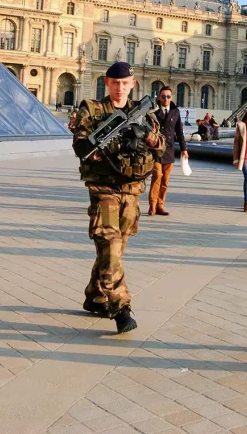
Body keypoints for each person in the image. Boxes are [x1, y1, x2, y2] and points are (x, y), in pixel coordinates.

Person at [71, 62, 165, 334]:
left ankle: (96, 295)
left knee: (115, 248)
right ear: (107, 83)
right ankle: (121, 308)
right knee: (110, 246)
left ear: (132, 84)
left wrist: (144, 135)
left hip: (133, 190)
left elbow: (161, 147)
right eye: (114, 82)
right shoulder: (92, 109)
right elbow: (81, 144)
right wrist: (100, 147)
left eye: (124, 83)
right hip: (104, 189)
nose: (120, 87)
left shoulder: (145, 113)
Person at [147, 86, 188, 216]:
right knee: (157, 176)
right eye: (163, 96)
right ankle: (152, 205)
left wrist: (184, 149)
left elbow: (179, 131)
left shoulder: (175, 112)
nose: (166, 99)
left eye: (168, 96)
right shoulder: (153, 111)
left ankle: (160, 205)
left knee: (165, 180)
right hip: (156, 149)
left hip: (169, 149)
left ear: (172, 97)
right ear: (159, 97)